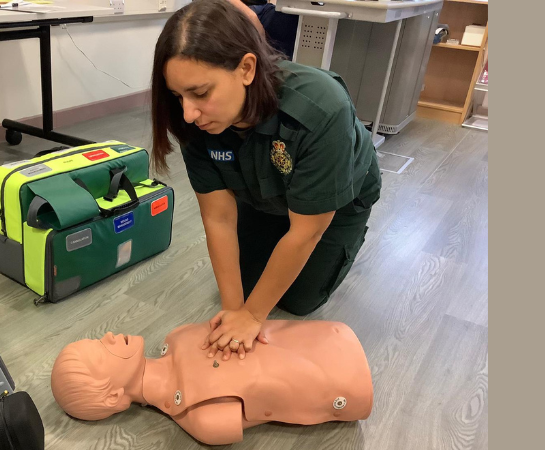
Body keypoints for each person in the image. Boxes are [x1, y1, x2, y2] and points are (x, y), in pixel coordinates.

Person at [150, 0, 382, 360]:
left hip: (335, 202)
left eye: (200, 93)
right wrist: (234, 312)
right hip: (263, 191)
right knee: (241, 287)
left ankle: (347, 243)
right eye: (178, 96)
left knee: (298, 301)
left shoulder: (322, 106)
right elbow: (218, 217)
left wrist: (253, 315)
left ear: (246, 68)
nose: (188, 112)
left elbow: (307, 231)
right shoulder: (193, 120)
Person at [50, 320, 374, 445]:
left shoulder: (176, 336)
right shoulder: (202, 416)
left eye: (97, 339)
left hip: (326, 336)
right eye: (99, 352)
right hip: (346, 382)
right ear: (112, 397)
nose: (107, 335)